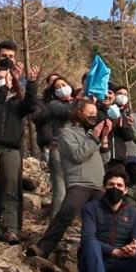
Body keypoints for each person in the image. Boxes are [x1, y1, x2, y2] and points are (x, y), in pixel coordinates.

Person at [26, 99, 112, 258]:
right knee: (67, 211)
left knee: (108, 217)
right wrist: (94, 137)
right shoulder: (66, 133)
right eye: (90, 113)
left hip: (98, 184)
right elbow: (78, 156)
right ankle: (43, 247)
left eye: (95, 114)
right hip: (80, 183)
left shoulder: (92, 134)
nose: (94, 116)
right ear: (79, 113)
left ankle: (106, 253)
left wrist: (104, 138)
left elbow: (105, 159)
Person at [0, 63, 40, 243]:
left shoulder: (17, 103)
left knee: (12, 188)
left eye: (6, 77)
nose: (3, 80)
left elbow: (30, 105)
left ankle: (11, 227)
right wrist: (3, 89)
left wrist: (31, 83)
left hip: (12, 149)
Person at [43, 76, 77, 217]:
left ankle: (70, 220)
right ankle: (55, 220)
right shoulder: (53, 104)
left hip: (76, 150)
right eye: (57, 87)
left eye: (64, 84)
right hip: (58, 149)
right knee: (60, 188)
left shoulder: (78, 102)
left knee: (74, 188)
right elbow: (67, 112)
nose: (62, 88)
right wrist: (79, 101)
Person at [103, 85, 136, 184]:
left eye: (125, 94)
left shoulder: (129, 115)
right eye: (119, 94)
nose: (122, 96)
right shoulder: (105, 110)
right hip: (106, 153)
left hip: (126, 156)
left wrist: (129, 125)